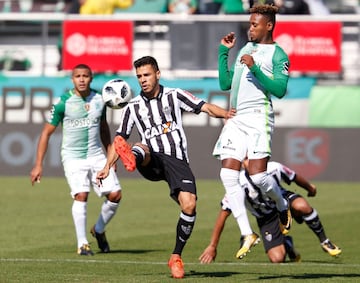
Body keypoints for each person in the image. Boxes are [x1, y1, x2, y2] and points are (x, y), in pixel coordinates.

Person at [96, 56, 235, 279]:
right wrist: (107, 166)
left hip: (177, 161)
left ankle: (176, 257)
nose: (143, 80)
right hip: (150, 159)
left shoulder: (175, 95)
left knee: (189, 205)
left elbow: (204, 107)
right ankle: (131, 155)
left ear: (157, 74)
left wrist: (226, 115)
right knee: (141, 146)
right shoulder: (132, 107)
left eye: (147, 75)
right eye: (139, 76)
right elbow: (118, 138)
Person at [212, 3, 291, 259]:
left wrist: (255, 67)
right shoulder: (245, 49)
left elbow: (279, 90)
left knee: (258, 178)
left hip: (259, 117)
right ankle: (247, 233)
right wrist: (224, 53)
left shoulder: (278, 55)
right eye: (249, 24)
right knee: (227, 175)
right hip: (236, 119)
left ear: (268, 26)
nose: (250, 29)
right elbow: (226, 83)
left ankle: (281, 202)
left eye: (255, 24)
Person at [30, 64, 122, 256]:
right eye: (77, 76)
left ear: (91, 78)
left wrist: (110, 158)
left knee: (115, 195)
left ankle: (98, 230)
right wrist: (38, 164)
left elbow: (104, 129)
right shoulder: (63, 103)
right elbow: (46, 133)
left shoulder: (99, 100)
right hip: (73, 157)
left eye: (85, 76)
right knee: (81, 195)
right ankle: (82, 244)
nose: (81, 79)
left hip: (96, 155)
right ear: (72, 79)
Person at [199, 160, 342, 264]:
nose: (251, 162)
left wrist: (310, 188)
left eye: (253, 157)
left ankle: (325, 241)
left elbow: (294, 177)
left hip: (284, 202)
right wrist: (212, 246)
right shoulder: (239, 184)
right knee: (277, 259)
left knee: (302, 206)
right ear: (242, 163)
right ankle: (287, 244)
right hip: (266, 218)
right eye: (247, 159)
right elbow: (223, 214)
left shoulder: (273, 168)